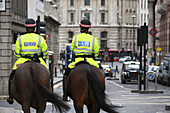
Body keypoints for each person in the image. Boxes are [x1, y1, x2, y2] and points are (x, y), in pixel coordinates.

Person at [7, 18, 48, 104]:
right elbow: (45, 51)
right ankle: (49, 93)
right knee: (48, 74)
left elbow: (17, 53)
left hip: (22, 60)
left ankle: (10, 96)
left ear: (26, 28)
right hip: (38, 60)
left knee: (12, 76)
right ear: (35, 28)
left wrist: (22, 57)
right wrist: (42, 57)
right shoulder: (40, 38)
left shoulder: (20, 39)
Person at [62, 19, 99, 101]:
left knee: (66, 74)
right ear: (89, 29)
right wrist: (94, 58)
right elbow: (96, 52)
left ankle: (65, 94)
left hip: (77, 60)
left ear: (80, 27)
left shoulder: (75, 38)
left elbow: (72, 49)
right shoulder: (93, 39)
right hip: (90, 61)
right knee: (100, 72)